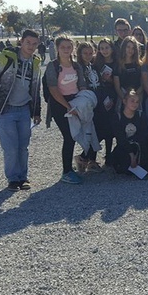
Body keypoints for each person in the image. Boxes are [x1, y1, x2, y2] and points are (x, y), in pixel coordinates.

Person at [0, 29, 42, 191]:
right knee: (10, 147)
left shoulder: (35, 62)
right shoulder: (6, 57)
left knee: (23, 146)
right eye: (28, 42)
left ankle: (23, 177)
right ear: (21, 42)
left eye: (34, 44)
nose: (31, 46)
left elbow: (36, 88)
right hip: (5, 108)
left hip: (24, 108)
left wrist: (36, 111)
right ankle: (13, 178)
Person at [45, 35, 88, 185]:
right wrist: (68, 107)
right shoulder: (53, 66)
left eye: (69, 47)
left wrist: (82, 102)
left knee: (77, 134)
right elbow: (53, 89)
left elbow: (82, 84)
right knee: (69, 136)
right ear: (57, 48)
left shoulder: (76, 66)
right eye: (63, 47)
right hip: (60, 105)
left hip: (76, 101)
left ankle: (78, 164)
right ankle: (66, 171)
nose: (66, 50)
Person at [108, 89, 148, 176]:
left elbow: (143, 135)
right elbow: (120, 138)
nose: (135, 104)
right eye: (132, 101)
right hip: (124, 146)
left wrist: (137, 154)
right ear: (124, 101)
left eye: (137, 102)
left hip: (139, 146)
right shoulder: (117, 117)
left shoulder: (141, 116)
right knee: (124, 166)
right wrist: (131, 155)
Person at [74, 41, 105, 173]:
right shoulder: (77, 68)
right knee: (90, 131)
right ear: (80, 54)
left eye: (90, 53)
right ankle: (85, 158)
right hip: (86, 103)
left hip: (97, 101)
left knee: (99, 130)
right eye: (85, 53)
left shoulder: (94, 66)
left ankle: (88, 158)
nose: (87, 55)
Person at [93, 38, 119, 163]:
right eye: (102, 48)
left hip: (113, 94)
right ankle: (89, 155)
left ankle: (109, 154)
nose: (104, 51)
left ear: (112, 48)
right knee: (100, 125)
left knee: (111, 124)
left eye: (106, 47)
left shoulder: (117, 62)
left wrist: (110, 80)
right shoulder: (96, 63)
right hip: (100, 96)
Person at [113, 36, 143, 106]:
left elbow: (143, 84)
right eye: (128, 47)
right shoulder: (118, 65)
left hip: (137, 95)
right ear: (124, 48)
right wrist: (125, 99)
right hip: (123, 96)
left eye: (133, 48)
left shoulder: (139, 65)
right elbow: (117, 87)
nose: (130, 50)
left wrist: (135, 96)